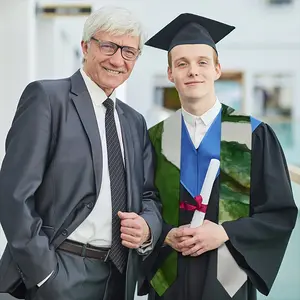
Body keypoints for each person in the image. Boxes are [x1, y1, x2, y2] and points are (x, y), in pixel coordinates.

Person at [0, 6, 162, 300]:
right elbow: (14, 195)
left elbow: (149, 195)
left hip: (118, 276)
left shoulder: (134, 122)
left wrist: (148, 227)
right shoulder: (48, 100)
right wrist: (44, 273)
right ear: (86, 46)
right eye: (108, 46)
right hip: (60, 271)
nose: (117, 59)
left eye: (129, 52)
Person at [138, 13, 298, 300]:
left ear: (217, 69)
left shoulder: (253, 135)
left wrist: (226, 233)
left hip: (228, 280)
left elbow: (278, 213)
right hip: (169, 279)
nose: (193, 71)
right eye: (182, 64)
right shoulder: (154, 139)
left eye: (202, 62)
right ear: (170, 74)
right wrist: (165, 234)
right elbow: (142, 204)